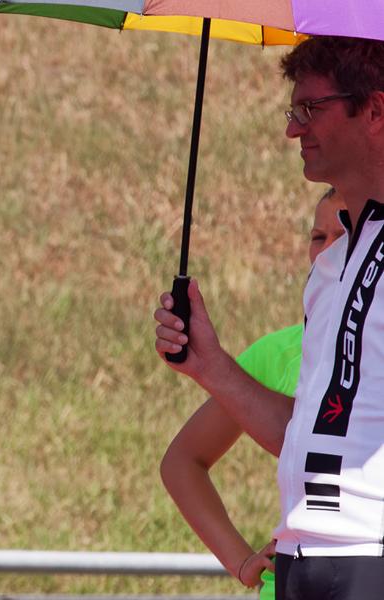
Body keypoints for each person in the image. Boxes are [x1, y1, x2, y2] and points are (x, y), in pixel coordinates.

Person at [154, 35, 384, 600]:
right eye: (293, 111)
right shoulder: (331, 264)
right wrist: (210, 366)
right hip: (304, 559)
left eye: (311, 109)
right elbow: (313, 430)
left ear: (375, 110)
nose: (293, 130)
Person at [160, 188, 345, 599]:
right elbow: (183, 461)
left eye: (345, 235)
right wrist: (242, 562)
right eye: (318, 237)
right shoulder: (280, 352)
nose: (327, 251)